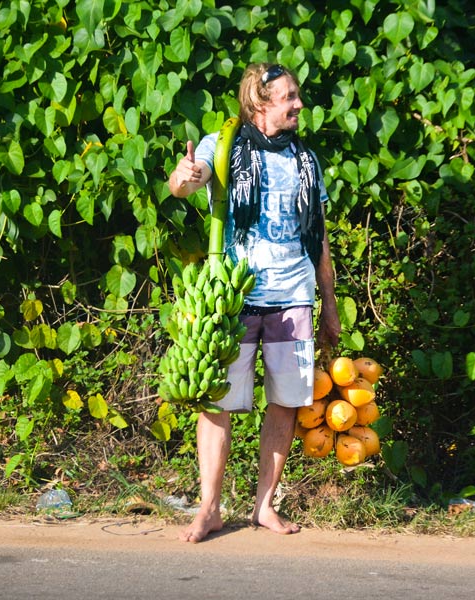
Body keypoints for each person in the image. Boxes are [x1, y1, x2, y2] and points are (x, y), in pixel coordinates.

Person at [167, 63, 341, 543]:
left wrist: (329, 303)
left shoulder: (307, 161)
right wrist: (182, 177)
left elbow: (319, 237)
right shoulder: (223, 146)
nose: (298, 104)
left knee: (284, 403)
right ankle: (209, 508)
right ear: (260, 103)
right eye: (288, 98)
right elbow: (187, 182)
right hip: (234, 297)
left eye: (297, 95)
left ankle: (265, 505)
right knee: (216, 402)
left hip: (294, 298)